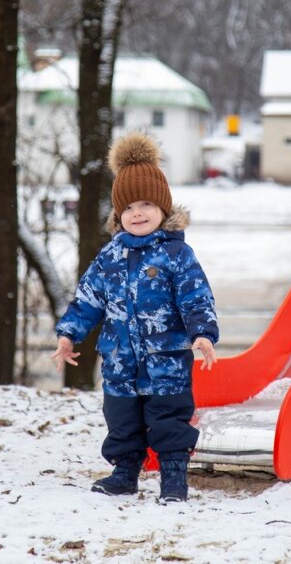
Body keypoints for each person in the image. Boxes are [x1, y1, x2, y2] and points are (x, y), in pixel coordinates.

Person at [51, 132, 218, 503]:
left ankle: (174, 478)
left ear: (163, 209)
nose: (137, 213)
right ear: (117, 214)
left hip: (166, 363)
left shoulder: (176, 255)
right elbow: (87, 299)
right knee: (122, 422)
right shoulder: (109, 256)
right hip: (120, 362)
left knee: (169, 421)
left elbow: (196, 297)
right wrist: (69, 334)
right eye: (128, 208)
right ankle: (124, 473)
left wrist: (202, 333)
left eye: (146, 204)